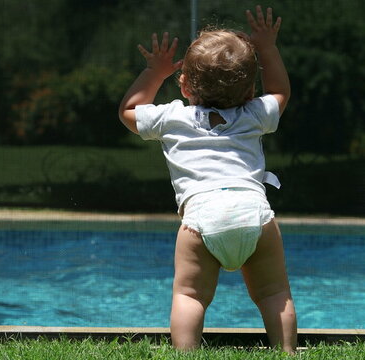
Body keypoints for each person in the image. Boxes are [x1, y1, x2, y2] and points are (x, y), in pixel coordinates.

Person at [118, 5, 296, 353]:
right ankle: (286, 352)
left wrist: (155, 72)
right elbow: (280, 93)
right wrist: (269, 49)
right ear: (249, 92)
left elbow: (128, 111)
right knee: (274, 292)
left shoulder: (171, 117)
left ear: (183, 86)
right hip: (254, 215)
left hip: (201, 218)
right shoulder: (254, 114)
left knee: (189, 295)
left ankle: (186, 353)